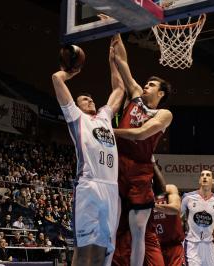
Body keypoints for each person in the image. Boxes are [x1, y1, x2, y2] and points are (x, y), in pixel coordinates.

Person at [51, 38, 124, 266]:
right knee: (84, 253)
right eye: (84, 98)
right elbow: (56, 78)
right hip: (89, 187)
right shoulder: (76, 117)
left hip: (111, 188)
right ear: (77, 104)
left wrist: (113, 61)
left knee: (103, 254)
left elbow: (120, 89)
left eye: (91, 97)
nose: (90, 99)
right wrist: (71, 71)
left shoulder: (103, 116)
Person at [111, 34, 173, 266]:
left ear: (161, 94)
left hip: (140, 171)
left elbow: (141, 134)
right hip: (119, 164)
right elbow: (123, 63)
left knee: (138, 230)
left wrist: (110, 132)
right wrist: (116, 34)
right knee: (113, 222)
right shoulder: (136, 96)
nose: (146, 86)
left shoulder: (164, 114)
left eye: (152, 85)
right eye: (146, 83)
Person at [181, 170, 214, 266]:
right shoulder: (187, 198)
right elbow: (177, 219)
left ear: (213, 181)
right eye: (202, 175)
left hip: (209, 245)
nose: (204, 177)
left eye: (208, 175)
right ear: (199, 180)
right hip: (191, 244)